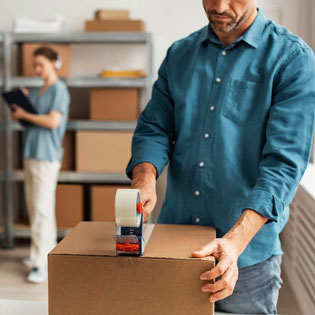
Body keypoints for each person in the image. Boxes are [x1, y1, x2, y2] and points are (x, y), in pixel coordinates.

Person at [125, 1, 315, 314]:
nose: (220, 6)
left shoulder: (292, 59)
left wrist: (234, 242)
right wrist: (144, 177)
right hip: (175, 247)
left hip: (247, 259)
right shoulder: (179, 55)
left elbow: (282, 164)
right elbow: (154, 127)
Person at [11, 47, 70, 283]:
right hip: (31, 154)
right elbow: (32, 121)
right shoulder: (37, 90)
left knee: (42, 211)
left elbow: (52, 121)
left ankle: (40, 265)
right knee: (35, 209)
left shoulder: (59, 90)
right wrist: (23, 105)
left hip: (46, 156)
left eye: (41, 65)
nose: (36, 69)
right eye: (34, 65)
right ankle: (41, 253)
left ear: (54, 63)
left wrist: (25, 115)